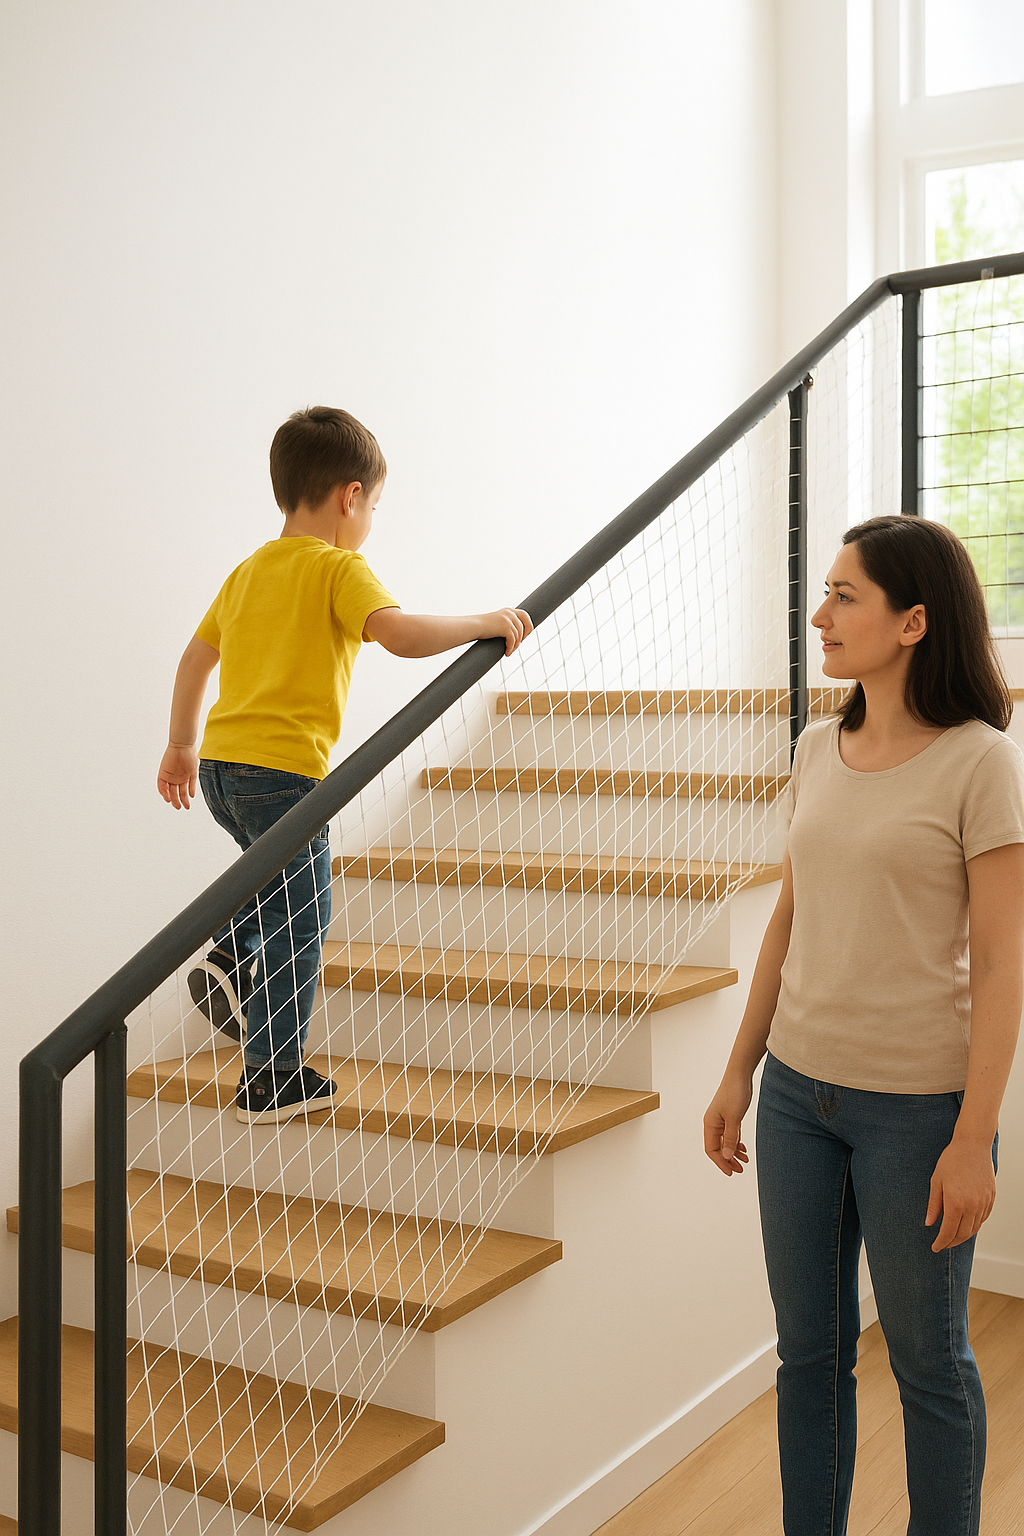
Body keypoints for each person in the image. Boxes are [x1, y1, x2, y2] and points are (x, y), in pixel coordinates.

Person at [703, 514, 1024, 1536]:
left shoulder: (979, 763)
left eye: (845, 595)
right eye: (825, 591)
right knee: (809, 1354)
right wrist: (738, 1069)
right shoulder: (814, 747)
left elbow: (1006, 963)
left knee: (928, 1364)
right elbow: (788, 919)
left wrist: (972, 1136)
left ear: (914, 621)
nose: (820, 613)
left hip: (918, 1114)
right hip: (799, 1096)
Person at [157, 405, 533, 1126]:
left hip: (221, 773)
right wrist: (483, 623)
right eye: (375, 506)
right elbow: (399, 635)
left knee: (273, 887)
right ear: (350, 496)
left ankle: (233, 955)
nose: (370, 522)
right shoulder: (338, 567)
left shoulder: (249, 570)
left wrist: (180, 745)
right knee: (305, 916)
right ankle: (272, 1076)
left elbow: (195, 659)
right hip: (284, 777)